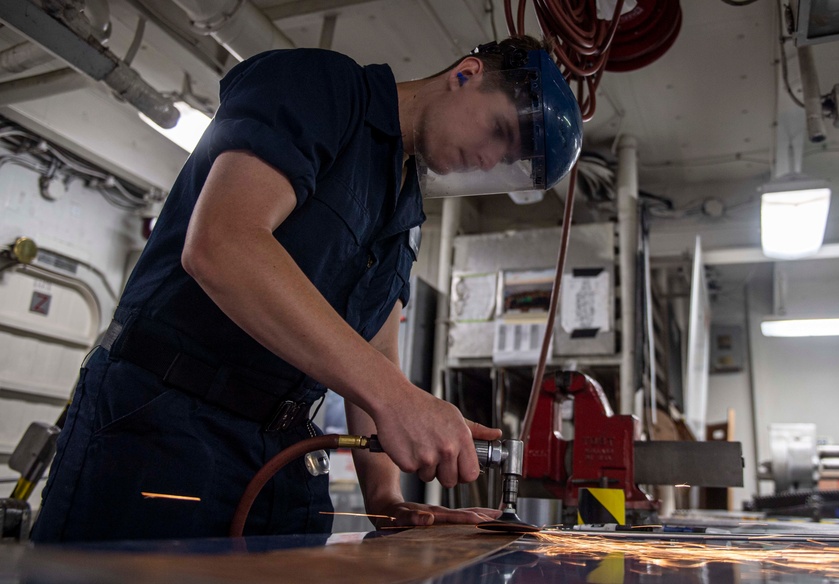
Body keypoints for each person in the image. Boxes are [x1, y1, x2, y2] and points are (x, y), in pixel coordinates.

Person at [31, 35, 582, 542]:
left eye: (506, 161)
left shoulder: (406, 208)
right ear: (466, 74)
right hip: (160, 421)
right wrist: (399, 401)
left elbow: (376, 355)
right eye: (500, 131)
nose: (489, 159)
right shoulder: (324, 87)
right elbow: (221, 245)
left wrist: (386, 498)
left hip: (280, 447)